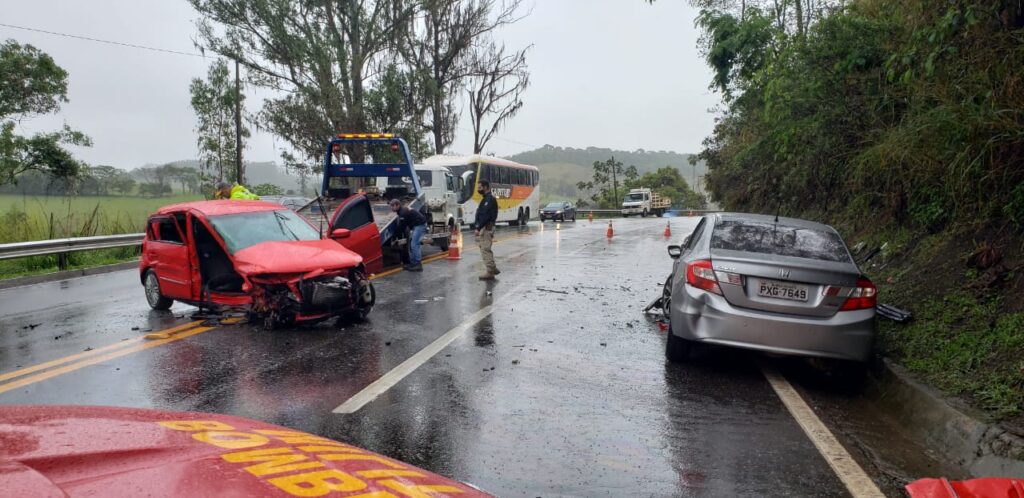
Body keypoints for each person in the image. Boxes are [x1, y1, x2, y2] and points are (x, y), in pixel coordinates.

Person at [390, 199, 427, 272]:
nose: (391, 208)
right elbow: (403, 226)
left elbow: (401, 227)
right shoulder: (402, 211)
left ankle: (418, 265)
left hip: (420, 225)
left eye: (392, 206)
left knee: (414, 244)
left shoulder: (403, 212)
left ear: (398, 205)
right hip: (416, 226)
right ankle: (413, 263)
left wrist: (394, 237)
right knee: (412, 244)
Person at [474, 179, 499, 280]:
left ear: (485, 187)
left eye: (480, 188)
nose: (478, 190)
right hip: (486, 226)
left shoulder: (489, 199)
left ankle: (490, 271)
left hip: (486, 227)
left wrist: (478, 227)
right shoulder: (486, 198)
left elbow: (485, 215)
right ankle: (493, 268)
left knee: (485, 249)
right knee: (484, 247)